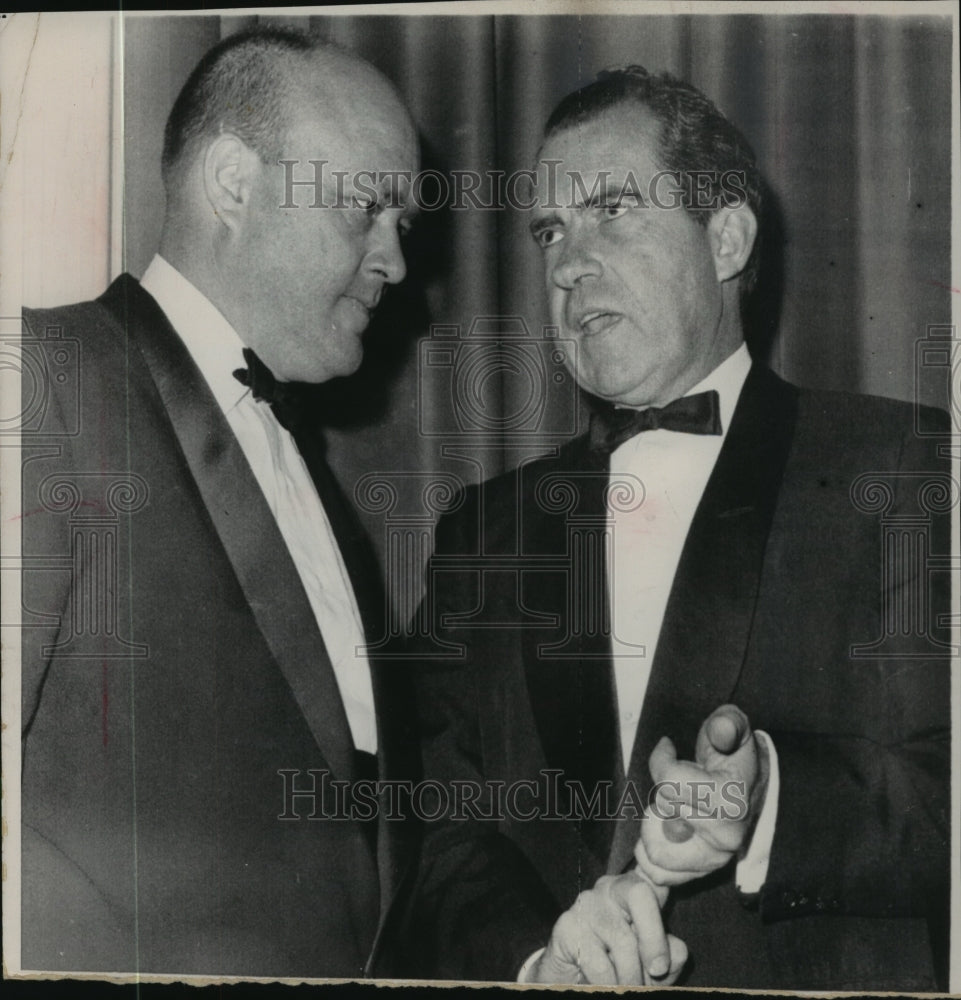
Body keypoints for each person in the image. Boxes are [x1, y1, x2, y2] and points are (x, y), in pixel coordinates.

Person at [406, 66, 952, 990]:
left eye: (611, 210)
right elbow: (438, 834)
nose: (568, 263)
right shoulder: (481, 529)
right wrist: (539, 959)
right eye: (549, 231)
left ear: (727, 236)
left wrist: (775, 799)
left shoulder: (903, 465)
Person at [19, 27, 420, 978]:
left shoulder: (310, 482)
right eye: (367, 209)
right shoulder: (46, 380)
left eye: (403, 226)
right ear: (234, 184)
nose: (395, 262)